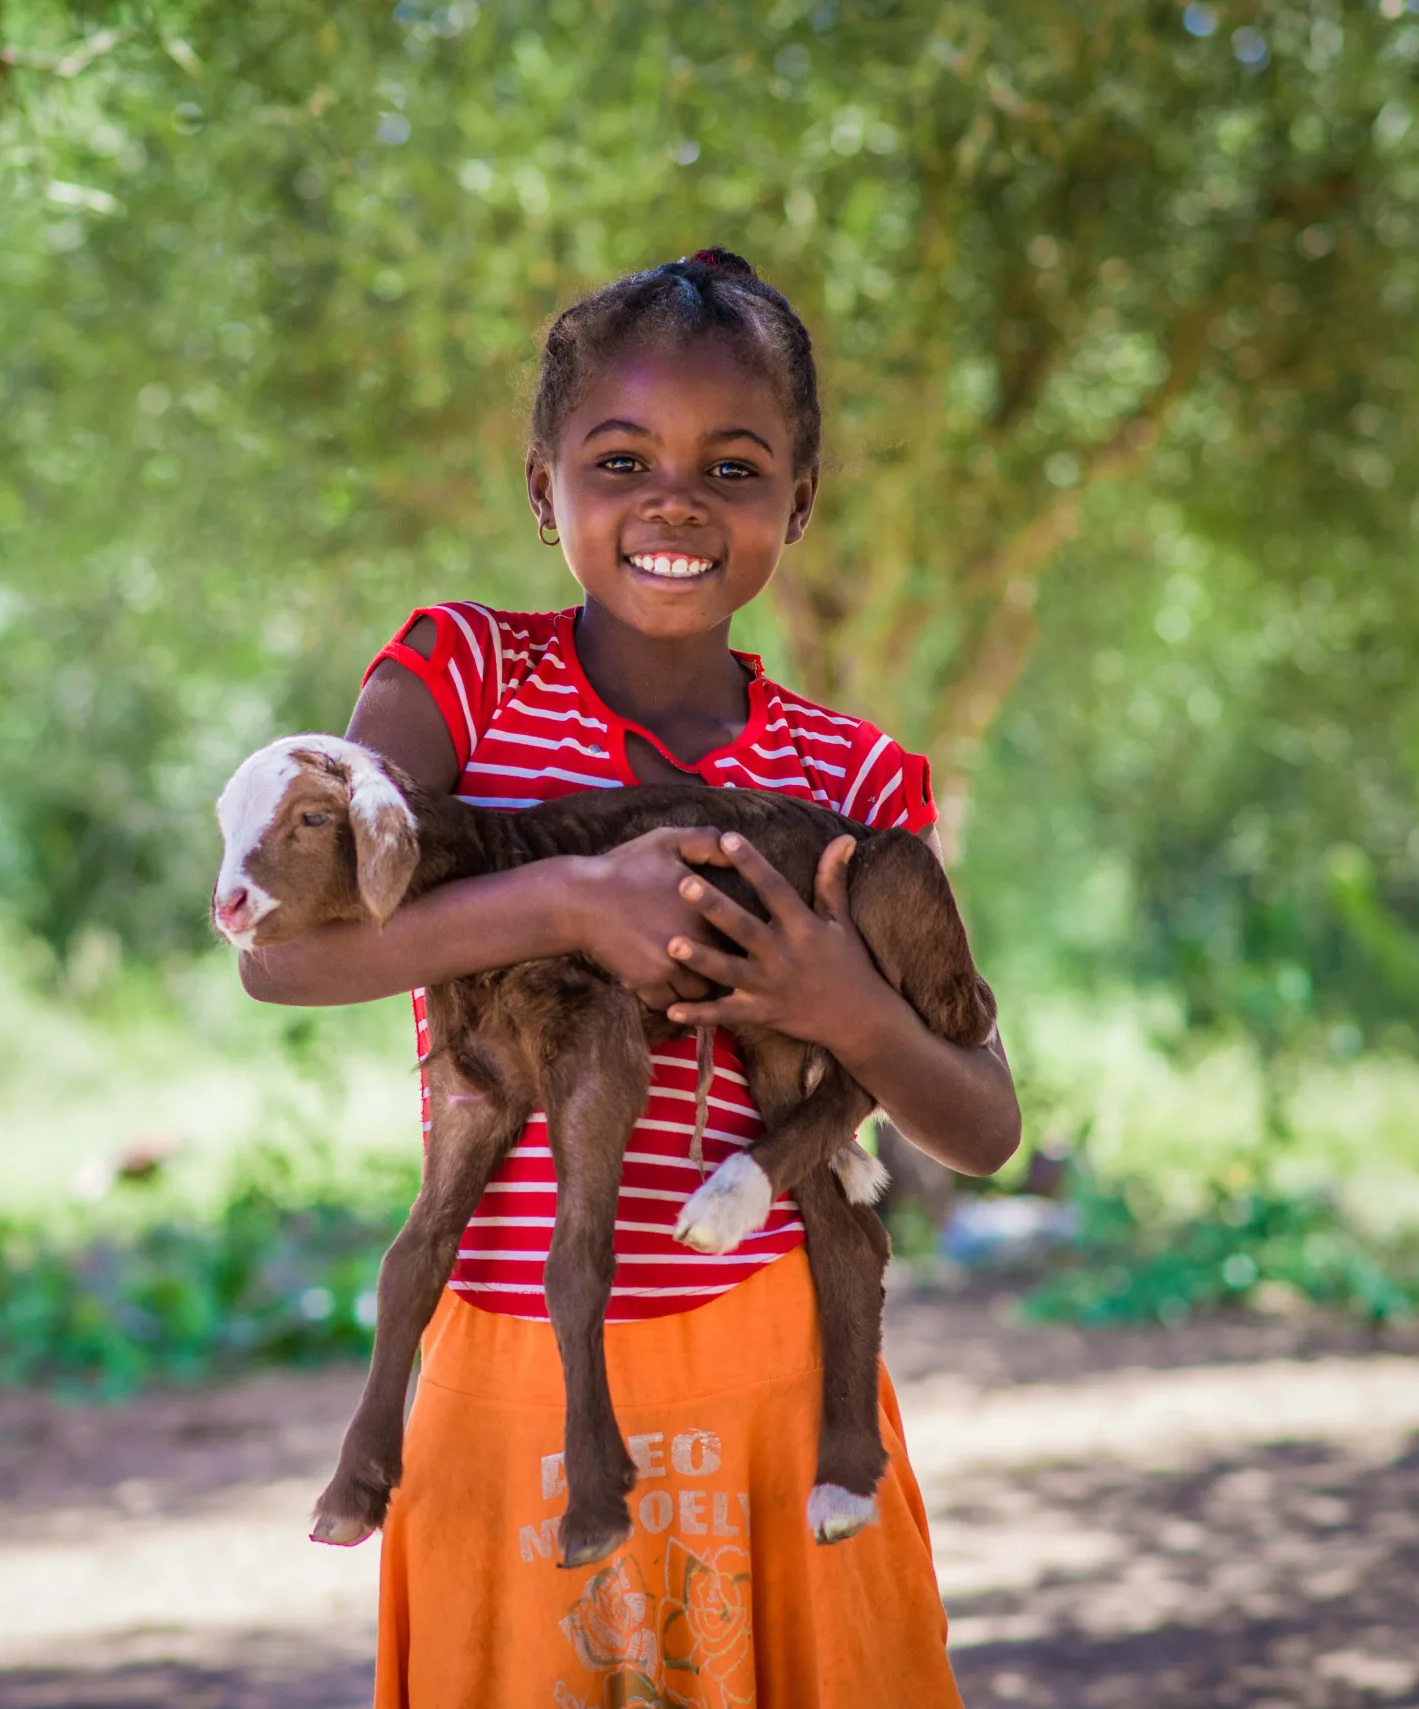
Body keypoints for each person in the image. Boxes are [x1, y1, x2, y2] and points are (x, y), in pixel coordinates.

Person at [238, 248, 1021, 1707]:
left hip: (781, 1370)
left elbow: (981, 1123)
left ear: (799, 499)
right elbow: (286, 963)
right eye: (620, 458)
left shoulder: (843, 777)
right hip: (504, 1368)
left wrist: (842, 1008)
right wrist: (575, 897)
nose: (675, 499)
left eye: (734, 465)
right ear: (543, 488)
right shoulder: (454, 681)